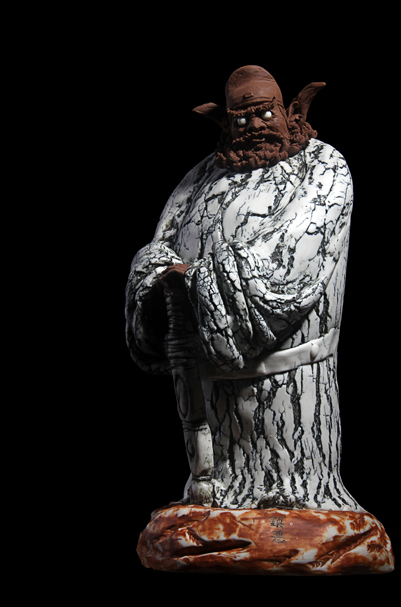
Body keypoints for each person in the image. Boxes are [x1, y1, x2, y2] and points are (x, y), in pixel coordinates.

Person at [125, 65, 361, 511]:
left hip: (291, 387)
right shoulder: (200, 177)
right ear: (225, 122)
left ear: (291, 112)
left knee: (289, 503)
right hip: (209, 396)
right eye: (241, 119)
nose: (254, 126)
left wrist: (198, 283)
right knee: (210, 498)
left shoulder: (323, 166)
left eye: (265, 114)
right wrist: (158, 280)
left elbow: (292, 253)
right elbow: (161, 245)